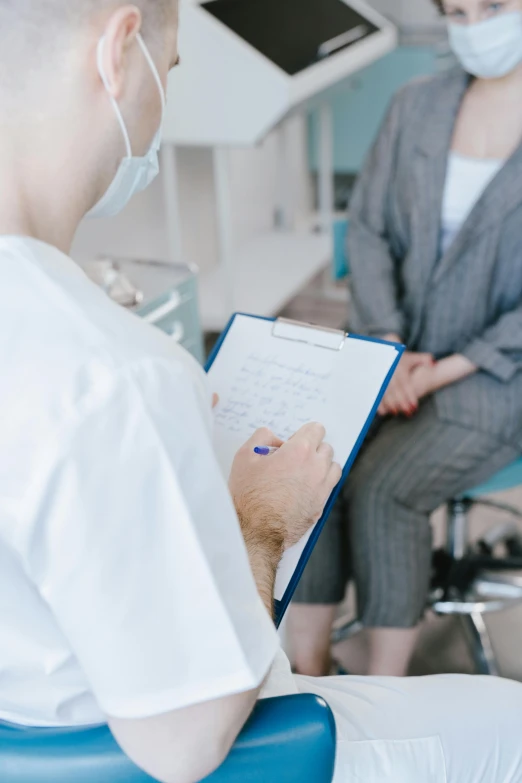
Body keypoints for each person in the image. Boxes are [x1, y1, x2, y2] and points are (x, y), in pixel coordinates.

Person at [1, 2, 522, 782]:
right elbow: (187, 745)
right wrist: (262, 517)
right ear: (119, 51)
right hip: (227, 748)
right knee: (507, 720)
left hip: (46, 719)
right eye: (169, 70)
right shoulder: (122, 377)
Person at [290, 0, 522, 680]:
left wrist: (441, 369)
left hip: (495, 373)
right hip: (391, 347)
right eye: (457, 10)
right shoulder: (416, 104)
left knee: (384, 486)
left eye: (494, 7)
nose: (474, 24)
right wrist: (385, 341)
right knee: (315, 457)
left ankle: (385, 692)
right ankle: (309, 669)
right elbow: (366, 231)